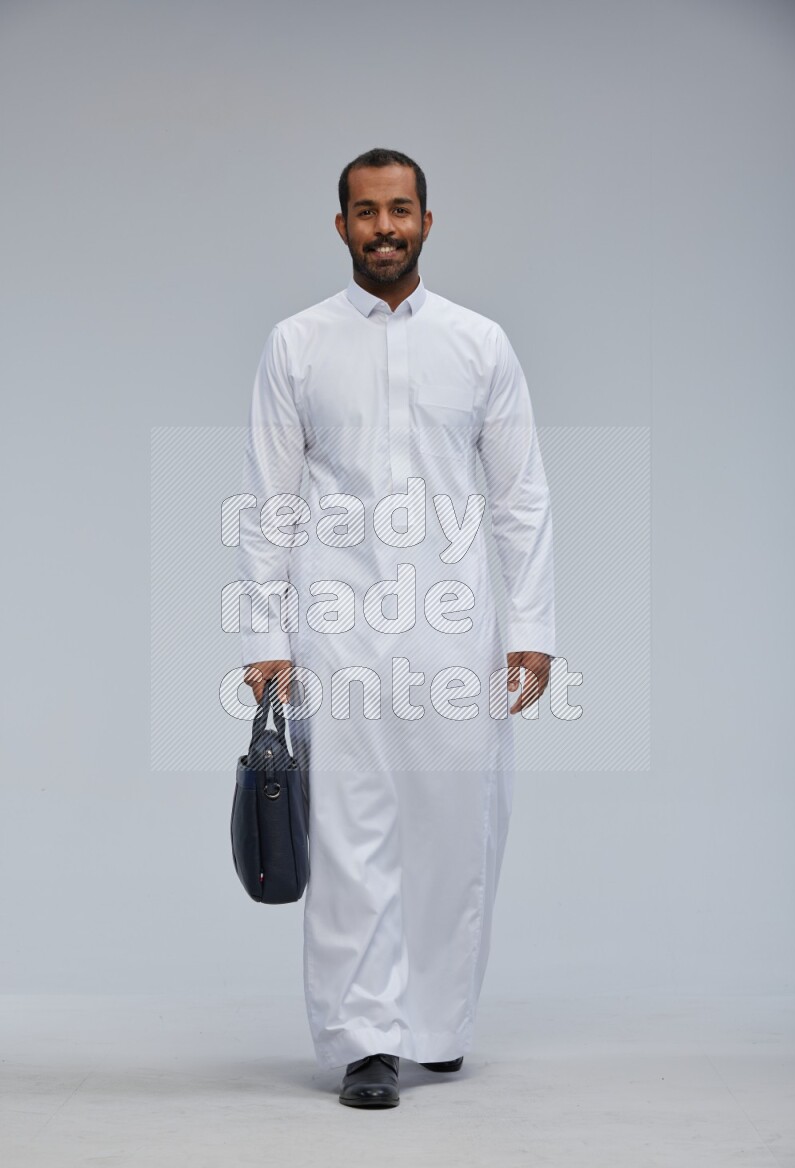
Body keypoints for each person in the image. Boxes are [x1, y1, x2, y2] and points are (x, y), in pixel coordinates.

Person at [237, 147, 556, 1108]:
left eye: (401, 209)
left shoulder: (479, 343)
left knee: (460, 827)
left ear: (427, 220)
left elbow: (521, 497)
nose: (384, 226)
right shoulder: (296, 345)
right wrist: (267, 635)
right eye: (366, 211)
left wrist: (530, 629)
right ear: (340, 226)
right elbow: (268, 503)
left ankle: (441, 1022)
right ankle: (366, 1038)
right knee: (349, 832)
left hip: (455, 628)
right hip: (339, 627)